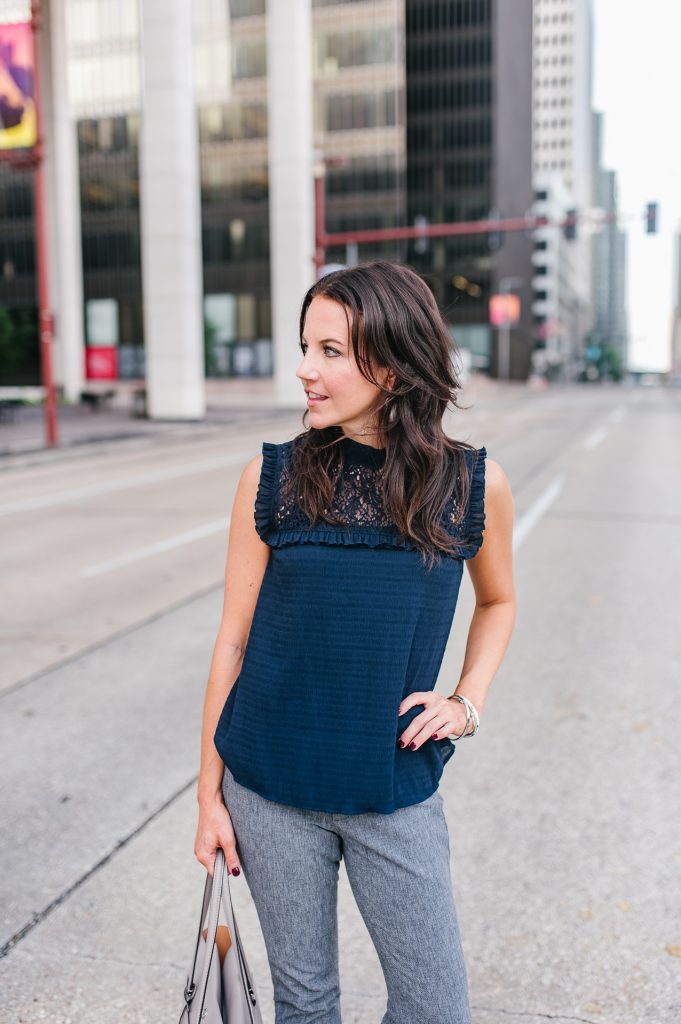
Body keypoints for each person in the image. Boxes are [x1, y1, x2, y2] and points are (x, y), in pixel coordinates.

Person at [194, 260, 516, 1024]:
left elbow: (498, 601)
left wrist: (466, 703)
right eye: (307, 346)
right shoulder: (268, 477)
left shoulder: (472, 484)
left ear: (396, 363)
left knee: (435, 1008)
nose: (305, 370)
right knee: (304, 1004)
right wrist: (208, 795)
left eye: (330, 351)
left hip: (392, 789)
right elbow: (232, 644)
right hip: (267, 790)